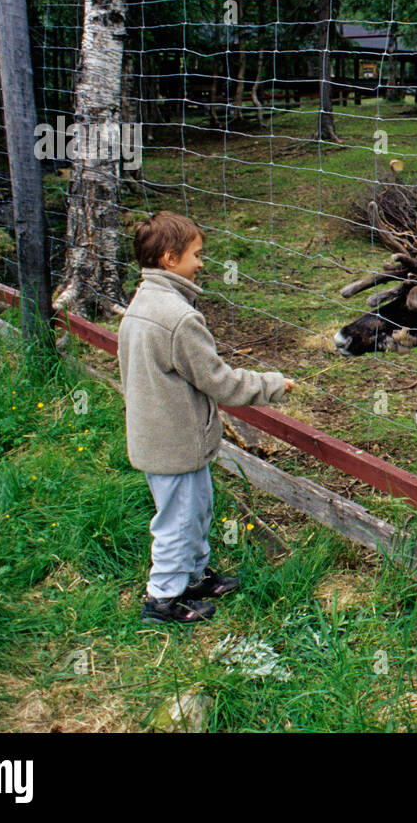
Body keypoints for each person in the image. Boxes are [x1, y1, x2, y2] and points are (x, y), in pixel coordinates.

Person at [117, 211, 295, 624]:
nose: (201, 263)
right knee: (177, 520)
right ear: (169, 258)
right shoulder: (179, 318)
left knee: (196, 507)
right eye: (196, 254)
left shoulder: (142, 301)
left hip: (157, 435)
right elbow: (221, 382)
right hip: (174, 440)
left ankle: (193, 577)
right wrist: (271, 385)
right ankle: (162, 599)